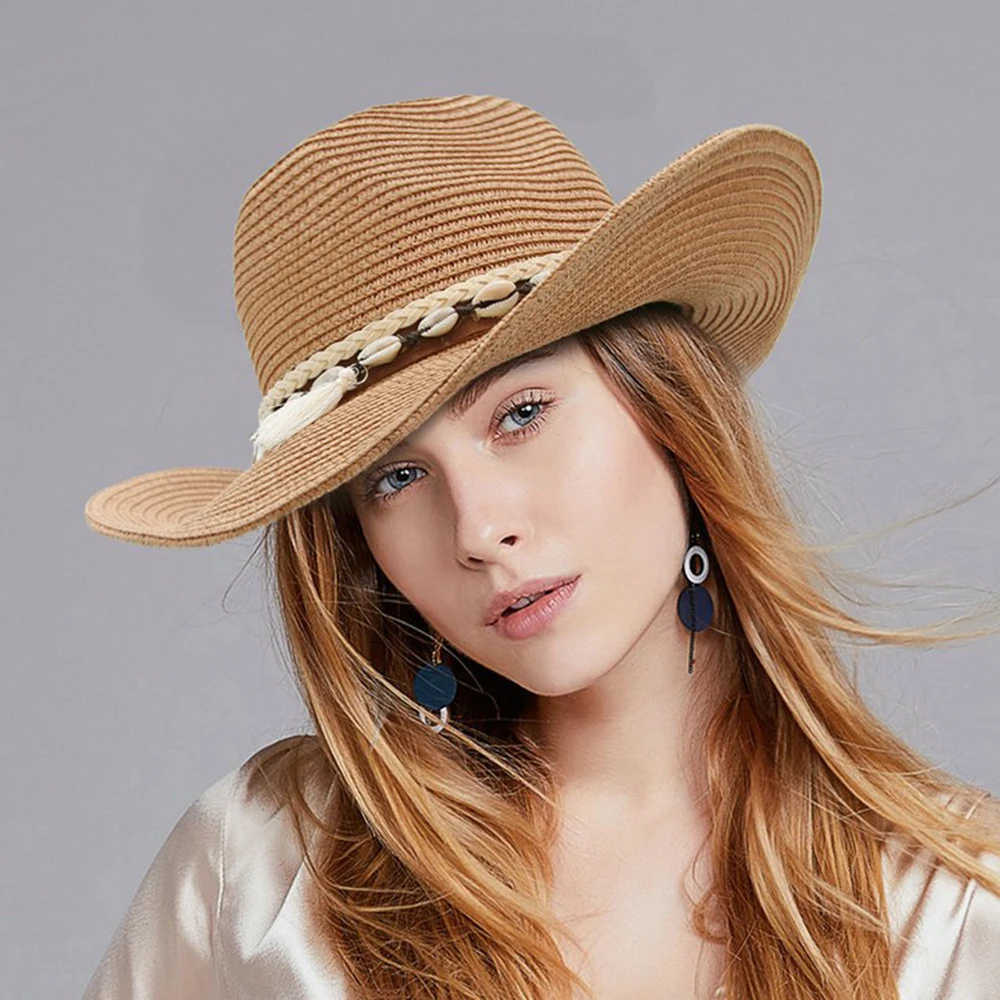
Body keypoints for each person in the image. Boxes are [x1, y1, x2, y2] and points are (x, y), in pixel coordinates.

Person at [80, 94, 1000, 1000]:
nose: (479, 531)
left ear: (668, 407)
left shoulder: (955, 910)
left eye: (521, 414)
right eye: (393, 478)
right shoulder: (262, 875)